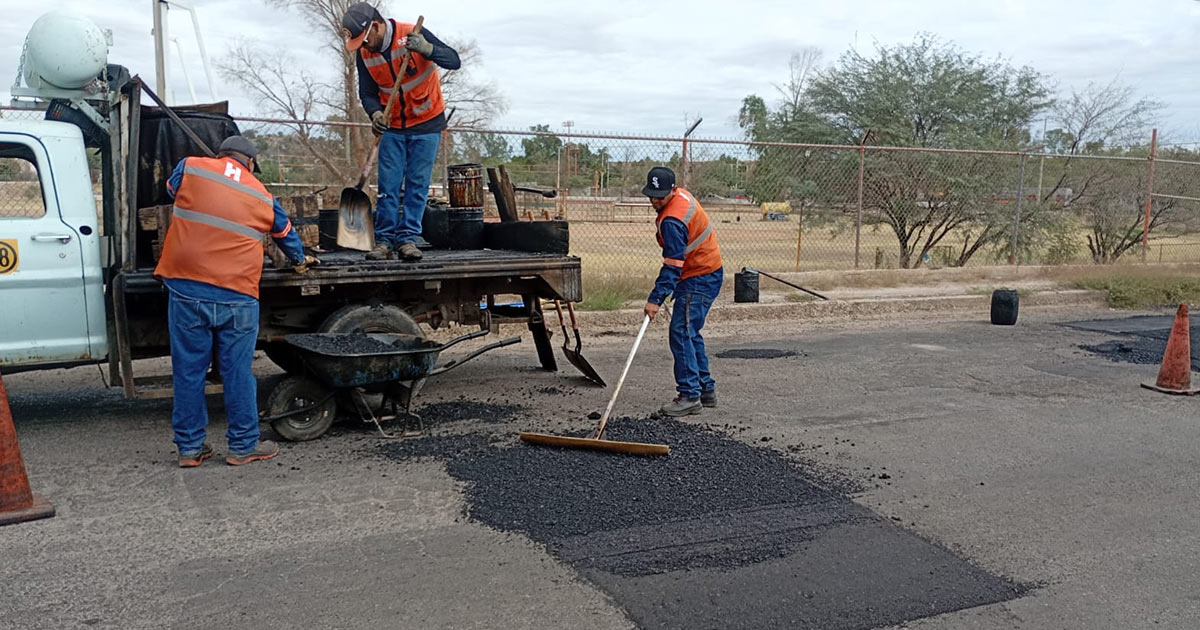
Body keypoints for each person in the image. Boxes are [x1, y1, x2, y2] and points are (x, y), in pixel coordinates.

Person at [155, 135, 319, 467]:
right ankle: (243, 446)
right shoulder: (261, 194)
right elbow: (285, 233)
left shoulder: (191, 167)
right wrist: (301, 260)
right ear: (251, 163)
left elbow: (171, 190)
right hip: (237, 295)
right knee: (238, 372)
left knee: (189, 372)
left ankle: (190, 449)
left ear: (221, 155)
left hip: (187, 289)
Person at [342, 2, 460, 261]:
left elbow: (454, 61)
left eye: (365, 39)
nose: (364, 46)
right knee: (388, 186)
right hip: (392, 125)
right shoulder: (364, 55)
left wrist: (428, 49)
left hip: (427, 123)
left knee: (417, 185)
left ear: (375, 27)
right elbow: (367, 93)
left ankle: (407, 239)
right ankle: (384, 241)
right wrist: (375, 114)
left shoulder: (412, 34)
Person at [642, 166, 724, 417]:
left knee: (681, 331)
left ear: (673, 190)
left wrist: (655, 300)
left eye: (660, 196)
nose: (655, 201)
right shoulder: (681, 197)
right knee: (690, 332)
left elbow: (673, 265)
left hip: (699, 276)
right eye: (651, 195)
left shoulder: (672, 221)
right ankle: (705, 389)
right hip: (707, 271)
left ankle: (689, 395)